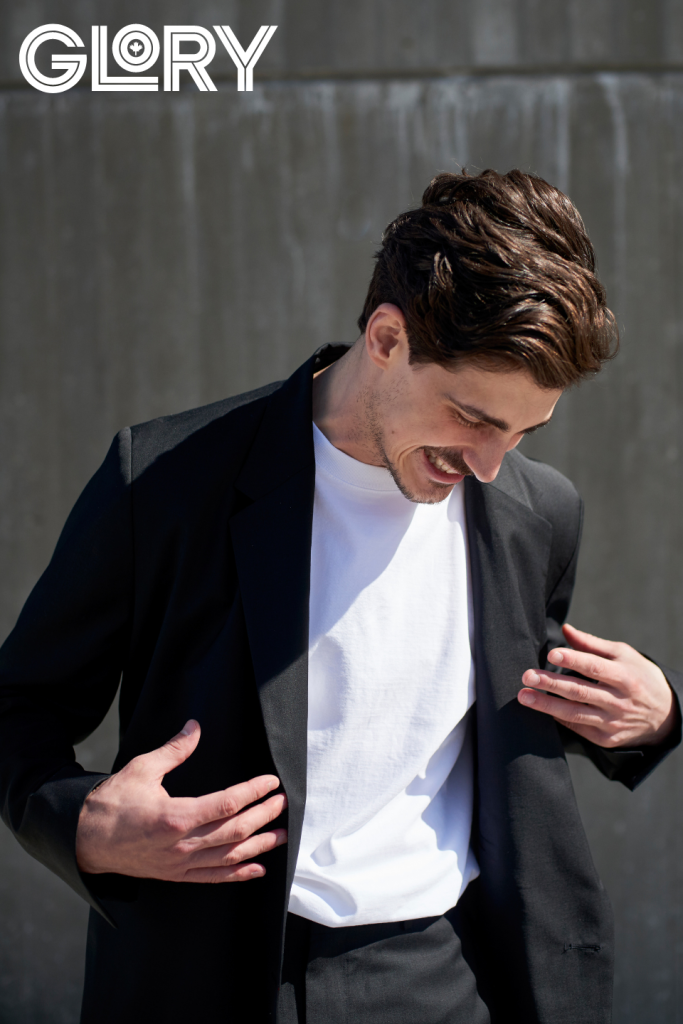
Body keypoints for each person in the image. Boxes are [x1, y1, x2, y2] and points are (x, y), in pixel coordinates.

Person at [0, 169, 680, 1024]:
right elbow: (19, 705)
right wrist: (85, 826)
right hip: (210, 977)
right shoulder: (168, 482)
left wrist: (649, 715)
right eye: (472, 416)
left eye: (522, 431)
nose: (489, 463)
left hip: (443, 975)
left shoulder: (538, 512)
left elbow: (519, 707)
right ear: (387, 337)